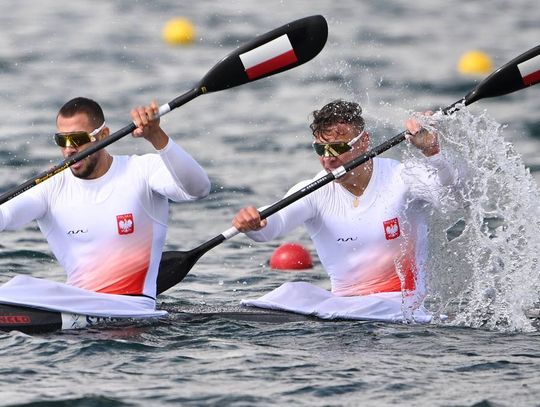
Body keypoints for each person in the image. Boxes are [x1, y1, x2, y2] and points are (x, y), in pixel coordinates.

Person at [233, 100, 456, 322]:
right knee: (292, 289)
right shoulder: (315, 191)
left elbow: (454, 195)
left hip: (401, 307)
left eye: (338, 147)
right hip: (341, 313)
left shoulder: (402, 178)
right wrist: (254, 222)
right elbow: (272, 224)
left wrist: (432, 152)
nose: (328, 159)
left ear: (364, 141)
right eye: (321, 149)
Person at [0, 97, 210, 317]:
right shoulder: (51, 185)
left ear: (103, 135)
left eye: (78, 139)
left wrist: (157, 137)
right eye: (62, 141)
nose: (69, 149)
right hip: (76, 308)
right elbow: (6, 214)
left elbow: (199, 189)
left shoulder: (141, 171)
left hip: (131, 309)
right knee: (19, 285)